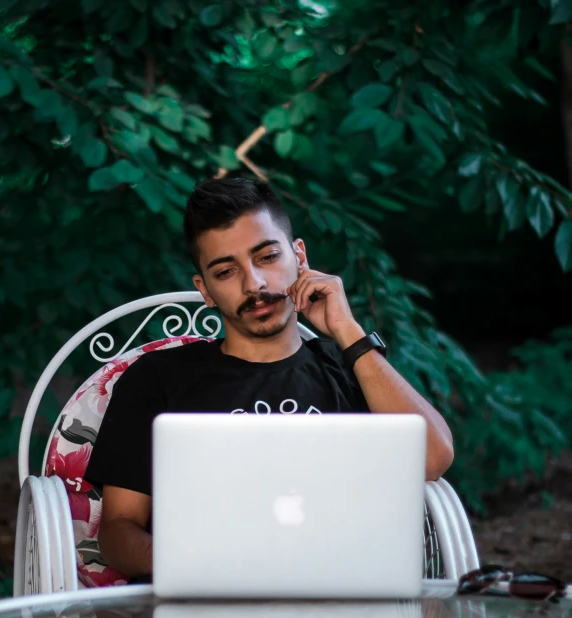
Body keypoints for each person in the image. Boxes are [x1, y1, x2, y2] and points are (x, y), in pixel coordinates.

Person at [84, 177, 454, 582]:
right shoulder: (158, 378)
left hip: (338, 607)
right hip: (206, 612)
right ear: (204, 289)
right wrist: (188, 562)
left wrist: (348, 332)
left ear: (299, 256)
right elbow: (117, 532)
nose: (254, 284)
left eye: (267, 257)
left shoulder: (353, 371)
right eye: (226, 272)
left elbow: (433, 458)